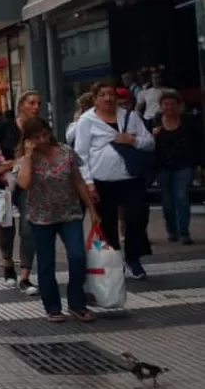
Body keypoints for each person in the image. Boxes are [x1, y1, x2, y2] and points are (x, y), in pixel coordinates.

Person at [15, 117, 100, 323]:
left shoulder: (65, 152)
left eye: (45, 134)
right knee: (46, 264)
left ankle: (77, 303)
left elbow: (78, 180)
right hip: (41, 217)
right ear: (28, 139)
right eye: (36, 137)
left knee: (78, 256)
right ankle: (52, 307)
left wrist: (91, 208)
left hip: (69, 213)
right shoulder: (27, 159)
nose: (42, 140)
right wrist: (27, 155)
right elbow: (24, 184)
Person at [71, 79, 155, 279]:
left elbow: (150, 143)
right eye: (102, 95)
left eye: (111, 94)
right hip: (102, 182)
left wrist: (133, 140)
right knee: (106, 223)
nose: (108, 98)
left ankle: (133, 257)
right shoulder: (86, 121)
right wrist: (88, 183)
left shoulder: (131, 117)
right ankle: (114, 259)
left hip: (130, 179)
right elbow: (80, 154)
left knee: (137, 216)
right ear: (95, 99)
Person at [3, 91, 42, 294]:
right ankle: (8, 262)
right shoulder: (6, 127)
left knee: (28, 228)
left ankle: (25, 275)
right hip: (6, 183)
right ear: (21, 105)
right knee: (6, 226)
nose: (36, 107)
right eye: (31, 103)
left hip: (28, 182)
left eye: (38, 103)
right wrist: (7, 164)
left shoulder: (40, 126)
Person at [151, 89, 199, 245]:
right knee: (167, 202)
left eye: (173, 104)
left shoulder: (189, 121)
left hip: (185, 165)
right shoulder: (155, 122)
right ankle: (172, 230)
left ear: (179, 105)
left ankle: (184, 232)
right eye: (166, 104)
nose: (169, 107)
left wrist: (199, 165)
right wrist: (153, 136)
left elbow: (199, 142)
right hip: (163, 166)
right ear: (161, 106)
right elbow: (146, 144)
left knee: (182, 197)